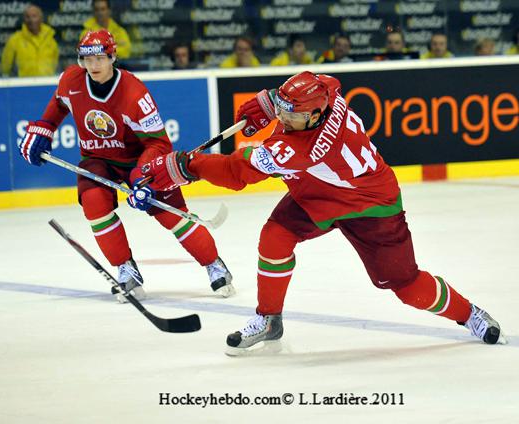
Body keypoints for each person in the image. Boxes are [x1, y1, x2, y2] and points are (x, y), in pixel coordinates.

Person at [136, 71, 506, 354]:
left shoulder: (304, 149)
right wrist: (270, 101)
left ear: (314, 115)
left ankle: (469, 314)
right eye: (283, 110)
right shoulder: (327, 94)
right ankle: (268, 319)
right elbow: (321, 82)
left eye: (291, 114)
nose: (284, 118)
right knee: (275, 238)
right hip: (319, 191)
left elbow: (237, 173)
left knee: (407, 288)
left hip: (371, 206)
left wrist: (184, 166)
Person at [17, 29, 234, 302]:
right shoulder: (71, 80)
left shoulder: (135, 94)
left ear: (112, 57)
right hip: (98, 160)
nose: (93, 65)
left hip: (139, 160)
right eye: (87, 59)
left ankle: (214, 264)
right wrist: (44, 129)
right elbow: (59, 104)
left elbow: (158, 143)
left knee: (172, 215)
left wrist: (143, 178)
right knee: (94, 203)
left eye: (99, 59)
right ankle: (126, 270)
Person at [1, 4, 59, 77]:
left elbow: (55, 63)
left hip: (46, 81)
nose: (31, 20)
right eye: (27, 17)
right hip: (23, 82)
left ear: (41, 18)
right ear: (24, 20)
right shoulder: (15, 39)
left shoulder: (50, 39)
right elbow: (5, 67)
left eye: (34, 16)